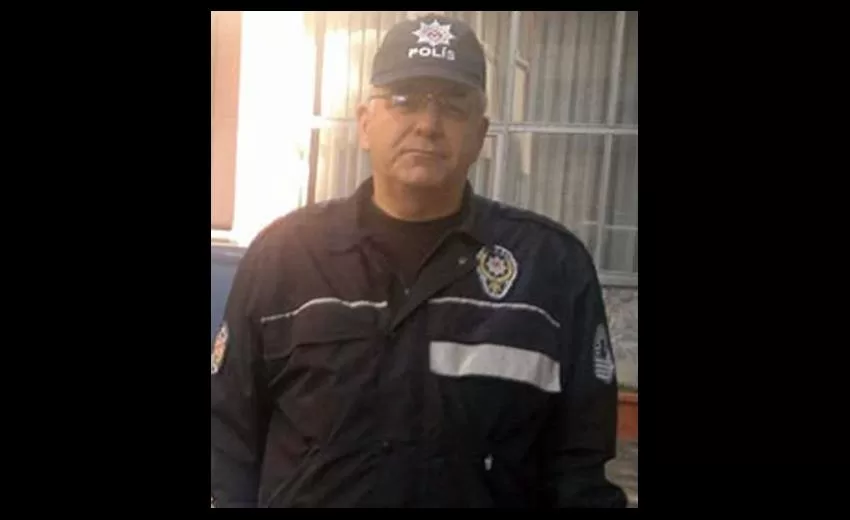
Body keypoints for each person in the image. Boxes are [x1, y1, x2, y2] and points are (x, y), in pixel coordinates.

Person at [211, 14, 627, 508]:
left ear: (481, 133)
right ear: (365, 123)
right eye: (404, 99)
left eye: (452, 105)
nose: (427, 125)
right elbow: (227, 444)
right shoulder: (284, 257)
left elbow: (579, 472)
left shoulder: (550, 270)